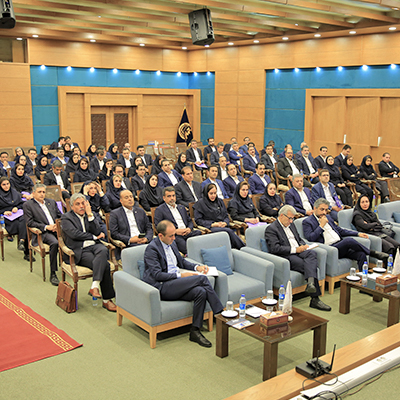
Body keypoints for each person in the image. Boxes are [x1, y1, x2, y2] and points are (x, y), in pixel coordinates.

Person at [143, 220, 224, 347]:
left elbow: (182, 262)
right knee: (202, 279)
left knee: (200, 292)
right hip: (162, 286)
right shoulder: (152, 249)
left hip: (176, 283)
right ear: (160, 236)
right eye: (171, 236)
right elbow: (157, 275)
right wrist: (181, 275)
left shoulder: (172, 243)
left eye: (174, 235)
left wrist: (197, 267)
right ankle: (220, 313)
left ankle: (195, 331)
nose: (174, 238)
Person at [265, 205, 331, 311]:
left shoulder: (291, 225)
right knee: (308, 265)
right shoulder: (271, 229)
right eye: (290, 218)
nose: (291, 221)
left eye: (293, 218)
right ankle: (315, 299)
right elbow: (275, 248)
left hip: (299, 251)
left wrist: (304, 245)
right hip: (287, 255)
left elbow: (298, 238)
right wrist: (296, 250)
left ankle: (310, 283)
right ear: (281, 216)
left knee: (312, 254)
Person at [61, 193, 116, 312]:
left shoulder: (89, 214)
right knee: (105, 265)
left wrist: (90, 215)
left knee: (103, 249)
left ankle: (94, 286)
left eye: (83, 203)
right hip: (79, 250)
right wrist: (94, 237)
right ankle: (107, 300)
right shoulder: (66, 218)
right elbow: (74, 234)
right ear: (72, 206)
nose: (81, 206)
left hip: (94, 247)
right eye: (78, 204)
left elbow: (97, 231)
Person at [302, 198, 380, 271]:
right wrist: (321, 226)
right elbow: (310, 238)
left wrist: (357, 234)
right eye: (322, 209)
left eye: (326, 210)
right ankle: (372, 253)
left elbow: (340, 230)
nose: (324, 213)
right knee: (348, 241)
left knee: (361, 255)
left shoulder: (328, 217)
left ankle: (363, 277)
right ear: (315, 208)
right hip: (330, 248)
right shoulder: (307, 222)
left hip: (341, 245)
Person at [23, 183, 62, 285]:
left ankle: (67, 265)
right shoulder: (28, 205)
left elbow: (60, 216)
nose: (42, 194)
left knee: (71, 238)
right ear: (33, 193)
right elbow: (30, 223)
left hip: (56, 229)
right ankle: (53, 273)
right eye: (39, 192)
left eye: (43, 192)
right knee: (55, 243)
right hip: (42, 232)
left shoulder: (51, 202)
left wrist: (57, 225)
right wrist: (46, 227)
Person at [194, 184, 244, 249]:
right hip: (210, 228)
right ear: (206, 193)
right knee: (228, 231)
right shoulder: (200, 204)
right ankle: (242, 247)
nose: (213, 195)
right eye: (211, 193)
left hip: (222, 225)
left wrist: (225, 222)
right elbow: (198, 220)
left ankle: (237, 249)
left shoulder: (220, 201)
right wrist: (212, 224)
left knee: (228, 231)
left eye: (215, 193)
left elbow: (226, 215)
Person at [154, 187, 201, 254]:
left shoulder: (181, 207)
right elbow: (158, 227)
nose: (172, 198)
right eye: (169, 196)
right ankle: (190, 255)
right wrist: (174, 231)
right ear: (164, 198)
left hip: (187, 232)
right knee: (184, 246)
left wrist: (189, 229)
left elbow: (190, 221)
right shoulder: (160, 210)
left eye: (173, 196)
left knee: (199, 234)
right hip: (175, 235)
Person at [109, 189, 153, 256]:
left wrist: (147, 238)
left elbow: (149, 227)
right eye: (126, 197)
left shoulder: (140, 211)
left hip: (144, 240)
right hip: (129, 244)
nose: (130, 199)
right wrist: (130, 239)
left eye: (131, 197)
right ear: (121, 201)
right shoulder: (115, 214)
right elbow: (114, 233)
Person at [0, 177, 29, 259]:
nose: (6, 186)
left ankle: (22, 242)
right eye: (4, 184)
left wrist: (16, 207)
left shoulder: (14, 192)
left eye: (8, 184)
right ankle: (26, 251)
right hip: (7, 218)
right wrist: (4, 212)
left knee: (24, 220)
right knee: (23, 225)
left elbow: (21, 203)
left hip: (17, 214)